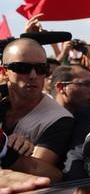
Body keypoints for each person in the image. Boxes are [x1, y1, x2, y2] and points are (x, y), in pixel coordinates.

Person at [0, 38, 73, 173]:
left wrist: (4, 148)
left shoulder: (58, 119)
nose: (33, 75)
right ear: (4, 72)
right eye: (22, 68)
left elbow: (38, 172)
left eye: (41, 68)